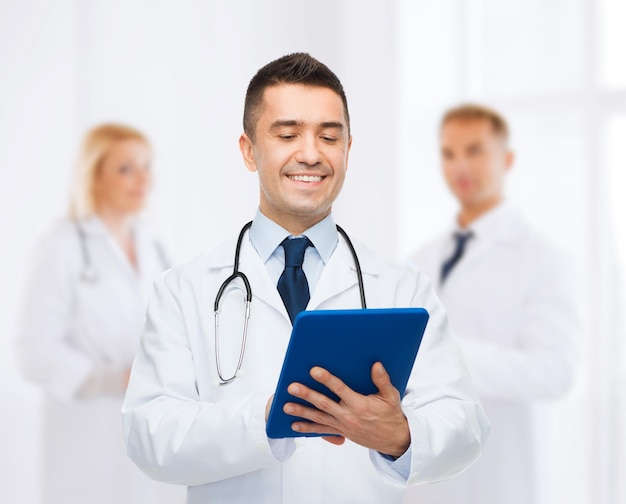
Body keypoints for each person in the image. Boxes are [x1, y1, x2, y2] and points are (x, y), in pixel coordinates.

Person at [122, 53, 490, 504]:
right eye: (288, 134)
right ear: (249, 150)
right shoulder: (184, 290)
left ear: (348, 150)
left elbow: (465, 423)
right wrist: (267, 419)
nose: (311, 153)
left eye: (329, 136)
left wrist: (401, 435)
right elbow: (148, 435)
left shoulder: (400, 286)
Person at [406, 104, 580, 504]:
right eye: (448, 154)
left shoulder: (543, 257)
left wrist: (449, 356)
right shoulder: (421, 259)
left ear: (507, 158)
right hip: (428, 479)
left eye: (474, 151)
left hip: (502, 477)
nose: (460, 166)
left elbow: (556, 371)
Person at [16, 123, 185, 504]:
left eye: (147, 166)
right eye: (126, 169)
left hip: (147, 431)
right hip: (86, 434)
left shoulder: (152, 245)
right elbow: (31, 352)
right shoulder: (60, 246)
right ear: (93, 178)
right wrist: (110, 379)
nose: (143, 179)